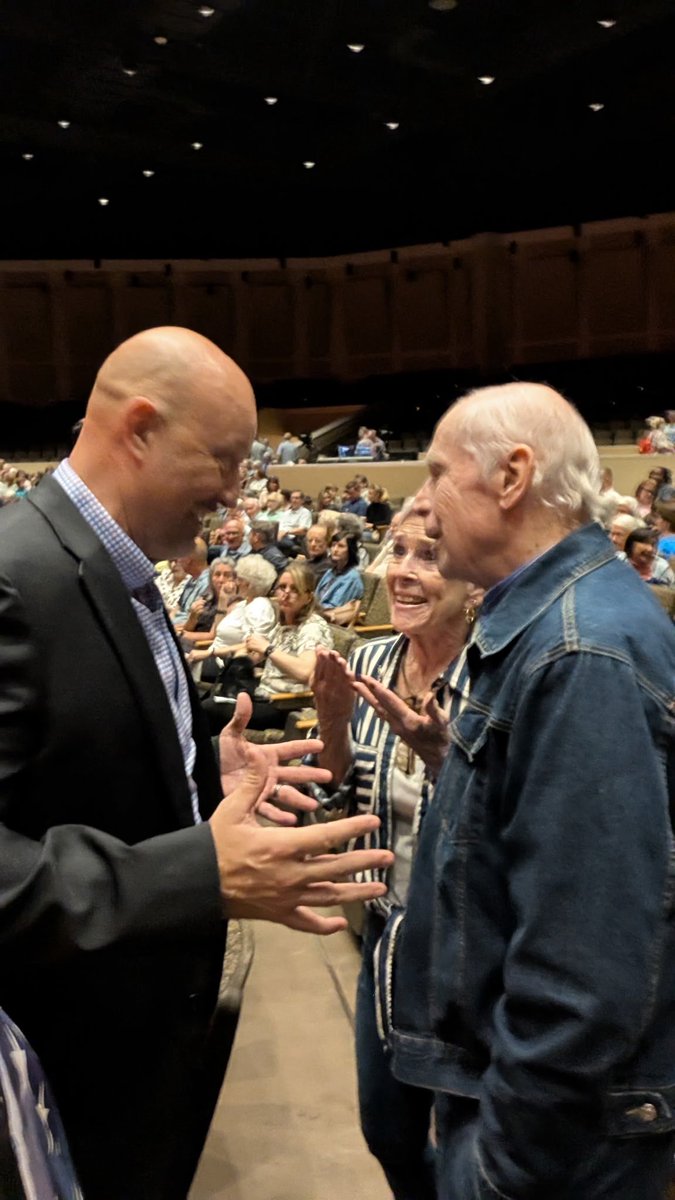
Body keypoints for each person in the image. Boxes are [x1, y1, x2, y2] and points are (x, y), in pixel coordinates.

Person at [0, 326, 393, 1200]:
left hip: (143, 1046)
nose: (234, 491)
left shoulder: (120, 566)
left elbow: (75, 745)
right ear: (138, 428)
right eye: (223, 458)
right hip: (68, 1065)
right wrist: (197, 875)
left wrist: (198, 765)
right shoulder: (14, 577)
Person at [385, 381, 675, 1200]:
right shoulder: (546, 622)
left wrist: (503, 1165)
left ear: (511, 477)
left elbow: (585, 968)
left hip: (551, 1150)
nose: (425, 501)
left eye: (439, 473)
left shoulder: (579, 651)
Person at [311, 509, 477, 1199]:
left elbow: (516, 821)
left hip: (474, 953)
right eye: (397, 552)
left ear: (475, 585)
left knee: (472, 1139)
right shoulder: (370, 664)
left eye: (430, 556)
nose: (404, 570)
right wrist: (330, 728)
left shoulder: (499, 678)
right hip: (389, 937)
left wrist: (443, 758)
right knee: (386, 1129)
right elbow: (340, 801)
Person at [316, 533, 365, 625]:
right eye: (333, 545)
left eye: (341, 546)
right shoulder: (330, 572)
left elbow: (335, 606)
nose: (335, 550)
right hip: (317, 615)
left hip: (331, 622)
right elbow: (316, 596)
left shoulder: (352, 578)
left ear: (350, 551)